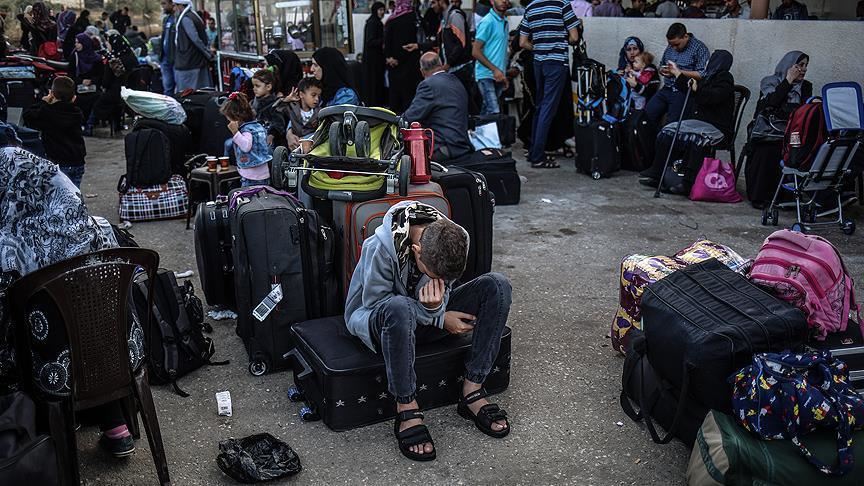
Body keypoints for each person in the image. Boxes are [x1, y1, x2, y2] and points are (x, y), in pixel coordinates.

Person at [343, 200, 512, 462]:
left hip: (427, 315)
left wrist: (438, 308)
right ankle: (406, 405)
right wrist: (439, 318)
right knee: (399, 307)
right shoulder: (379, 248)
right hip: (384, 322)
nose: (439, 282)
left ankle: (472, 389)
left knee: (497, 285)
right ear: (417, 251)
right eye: (433, 276)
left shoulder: (458, 237)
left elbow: (447, 290)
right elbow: (376, 304)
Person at [639, 50, 735, 194]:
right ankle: (659, 172)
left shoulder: (724, 78)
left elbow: (712, 96)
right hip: (699, 124)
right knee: (668, 132)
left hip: (716, 127)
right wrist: (676, 74)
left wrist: (692, 84)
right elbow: (691, 90)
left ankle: (688, 182)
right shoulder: (708, 77)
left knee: (696, 139)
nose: (708, 62)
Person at [745, 51, 811, 208]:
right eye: (800, 65)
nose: (803, 69)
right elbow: (771, 103)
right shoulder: (770, 82)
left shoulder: (806, 86)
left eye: (806, 65)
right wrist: (788, 81)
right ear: (788, 65)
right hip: (769, 130)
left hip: (792, 132)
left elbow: (803, 111)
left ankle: (785, 195)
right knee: (768, 149)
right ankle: (761, 197)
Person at [518, 0, 581, 168]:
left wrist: (540, 48)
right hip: (556, 63)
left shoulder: (531, 7)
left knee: (540, 107)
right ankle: (538, 157)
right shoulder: (562, 4)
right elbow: (574, 37)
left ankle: (533, 152)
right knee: (547, 109)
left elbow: (522, 42)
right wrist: (560, 41)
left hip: (538, 63)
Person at [403, 52, 473, 162]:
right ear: (441, 64)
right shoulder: (455, 80)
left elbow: (410, 117)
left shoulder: (428, 85)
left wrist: (395, 122)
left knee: (404, 158)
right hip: (461, 144)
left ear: (422, 71)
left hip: (443, 146)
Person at [22, 76, 86, 187]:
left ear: (52, 94)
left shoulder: (47, 113)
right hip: (77, 161)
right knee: (74, 193)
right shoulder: (77, 113)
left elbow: (28, 115)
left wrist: (44, 102)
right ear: (73, 98)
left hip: (57, 161)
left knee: (56, 193)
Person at [644, 23, 709, 131]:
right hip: (667, 88)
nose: (674, 48)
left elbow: (702, 74)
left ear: (685, 37)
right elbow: (662, 64)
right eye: (671, 45)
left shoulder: (699, 48)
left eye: (677, 44)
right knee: (646, 116)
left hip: (683, 91)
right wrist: (662, 70)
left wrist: (678, 72)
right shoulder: (671, 46)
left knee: (672, 125)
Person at [221, 92, 271, 187]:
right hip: (262, 173)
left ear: (237, 118)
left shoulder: (247, 130)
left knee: (249, 196)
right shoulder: (257, 126)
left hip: (251, 176)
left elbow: (246, 146)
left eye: (230, 119)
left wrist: (235, 132)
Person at [436, 0, 476, 114]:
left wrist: (449, 63)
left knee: (466, 102)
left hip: (460, 68)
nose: (432, 6)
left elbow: (461, 43)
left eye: (434, 2)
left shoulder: (455, 16)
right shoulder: (445, 18)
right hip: (453, 68)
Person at [383, 0, 423, 113]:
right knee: (409, 99)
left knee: (395, 100)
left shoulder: (392, 19)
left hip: (394, 65)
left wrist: (389, 58)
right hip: (411, 65)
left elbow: (386, 42)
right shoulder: (414, 18)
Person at [473, 0, 510, 115]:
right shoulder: (487, 21)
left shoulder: (505, 21)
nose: (504, 1)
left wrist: (502, 74)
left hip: (498, 76)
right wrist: (495, 70)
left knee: (487, 113)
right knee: (494, 112)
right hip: (486, 75)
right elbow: (475, 51)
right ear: (492, 1)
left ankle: (479, 127)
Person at [173, 0, 213, 92]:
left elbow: (195, 39)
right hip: (195, 62)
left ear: (180, 6)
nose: (174, 9)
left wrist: (207, 54)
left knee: (190, 94)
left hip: (190, 64)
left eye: (175, 6)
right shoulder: (193, 16)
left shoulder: (186, 19)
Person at [70, 32, 104, 131]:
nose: (76, 45)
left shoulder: (97, 59)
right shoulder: (74, 56)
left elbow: (100, 75)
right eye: (76, 42)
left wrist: (92, 81)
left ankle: (90, 124)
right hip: (78, 87)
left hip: (93, 87)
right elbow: (71, 74)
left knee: (97, 98)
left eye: (78, 42)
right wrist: (81, 81)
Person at [250, 69, 286, 148]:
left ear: (268, 87)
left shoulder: (275, 104)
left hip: (270, 140)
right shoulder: (253, 103)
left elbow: (279, 124)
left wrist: (271, 134)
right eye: (253, 86)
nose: (254, 89)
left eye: (257, 86)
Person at [284, 77, 322, 150]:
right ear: (301, 94)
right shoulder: (292, 108)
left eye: (318, 96)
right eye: (313, 95)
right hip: (293, 147)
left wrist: (306, 138)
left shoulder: (319, 112)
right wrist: (286, 100)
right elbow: (276, 110)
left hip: (311, 148)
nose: (317, 99)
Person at [363, 2, 387, 106]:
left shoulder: (375, 22)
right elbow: (370, 41)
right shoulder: (373, 23)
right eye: (380, 10)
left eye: (383, 10)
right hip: (373, 60)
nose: (382, 12)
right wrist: (384, 40)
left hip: (375, 59)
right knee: (374, 83)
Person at [160, 0, 177, 95]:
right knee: (167, 88)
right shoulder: (166, 19)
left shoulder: (177, 19)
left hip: (174, 59)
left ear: (172, 4)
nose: (163, 6)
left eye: (164, 3)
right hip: (165, 59)